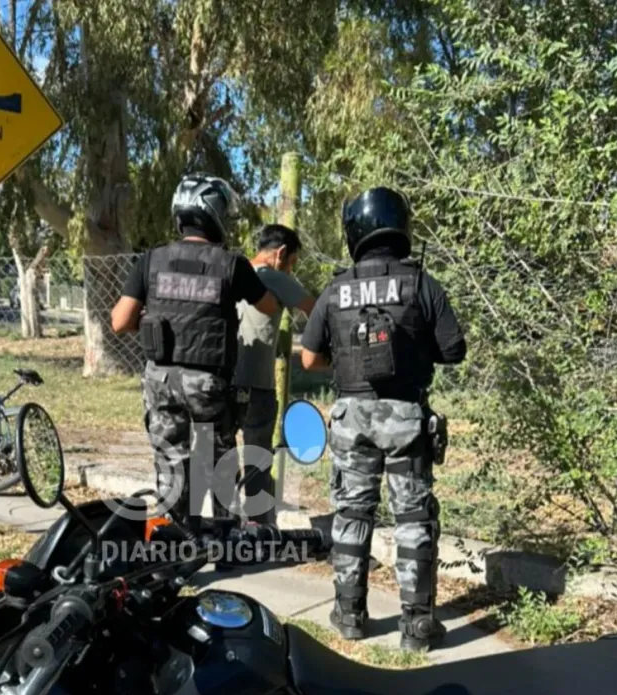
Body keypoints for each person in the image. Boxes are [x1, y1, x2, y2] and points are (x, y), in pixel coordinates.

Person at [300, 187, 466, 652]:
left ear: (355, 231)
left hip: (352, 416)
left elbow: (310, 358)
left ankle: (350, 614)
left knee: (353, 513)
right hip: (406, 416)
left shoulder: (336, 289)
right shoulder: (420, 283)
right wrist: (409, 350)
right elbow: (455, 349)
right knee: (413, 517)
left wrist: (351, 358)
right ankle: (416, 626)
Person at [111, 174, 278, 525]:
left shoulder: (151, 260)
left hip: (161, 380)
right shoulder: (232, 264)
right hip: (208, 384)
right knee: (220, 462)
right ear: (215, 215)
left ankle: (174, 547)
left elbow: (119, 321)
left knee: (171, 465)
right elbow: (268, 307)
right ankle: (225, 547)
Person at [233, 224, 315, 524]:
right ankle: (260, 529)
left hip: (222, 383)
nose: (291, 270)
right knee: (257, 459)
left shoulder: (231, 271)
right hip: (258, 383)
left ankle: (224, 528)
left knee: (221, 457)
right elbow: (314, 309)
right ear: (281, 254)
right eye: (292, 263)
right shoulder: (274, 277)